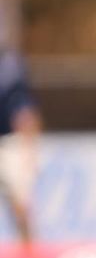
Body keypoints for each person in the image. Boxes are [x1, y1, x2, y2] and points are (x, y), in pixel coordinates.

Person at [0, 48, 39, 247]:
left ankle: (29, 254)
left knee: (20, 204)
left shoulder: (10, 67)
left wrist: (29, 149)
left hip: (10, 142)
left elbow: (25, 113)